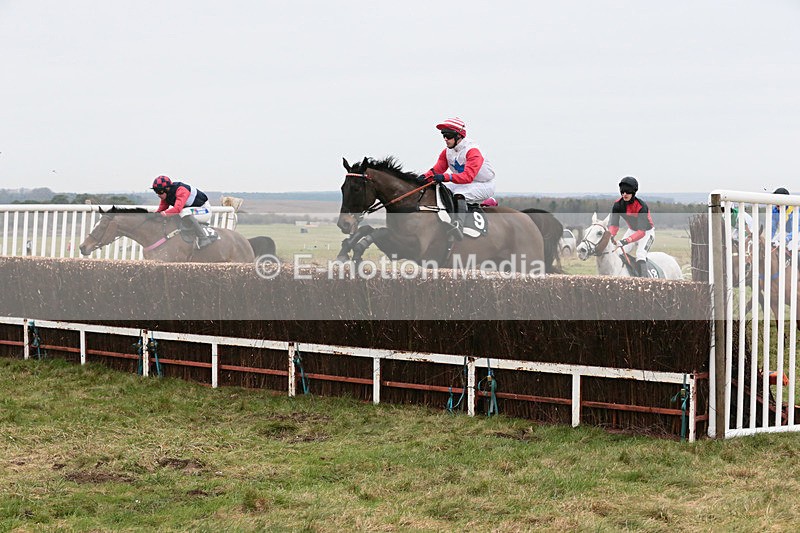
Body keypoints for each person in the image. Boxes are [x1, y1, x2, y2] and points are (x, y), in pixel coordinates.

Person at [417, 117, 496, 239]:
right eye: (443, 135)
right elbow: (436, 170)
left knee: (460, 194)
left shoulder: (472, 151)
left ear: (459, 136)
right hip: (463, 182)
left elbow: (468, 177)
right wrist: (422, 178)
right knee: (438, 188)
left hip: (484, 184)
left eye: (448, 135)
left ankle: (458, 226)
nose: (445, 139)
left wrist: (444, 177)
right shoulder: (447, 152)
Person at [151, 175, 216, 248]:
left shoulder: (181, 190)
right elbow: (162, 208)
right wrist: (154, 215)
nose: (158, 194)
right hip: (193, 210)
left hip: (204, 210)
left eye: (160, 191)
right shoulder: (167, 195)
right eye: (156, 191)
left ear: (167, 188)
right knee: (179, 213)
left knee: (183, 212)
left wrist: (164, 214)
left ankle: (203, 238)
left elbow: (177, 209)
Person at [609, 176, 655, 278]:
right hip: (632, 230)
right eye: (622, 191)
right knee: (618, 252)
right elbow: (614, 225)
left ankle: (644, 282)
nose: (624, 194)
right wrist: (610, 236)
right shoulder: (617, 205)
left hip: (646, 232)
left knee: (640, 254)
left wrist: (626, 240)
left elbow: (641, 232)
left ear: (633, 192)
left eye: (627, 191)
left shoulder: (641, 206)